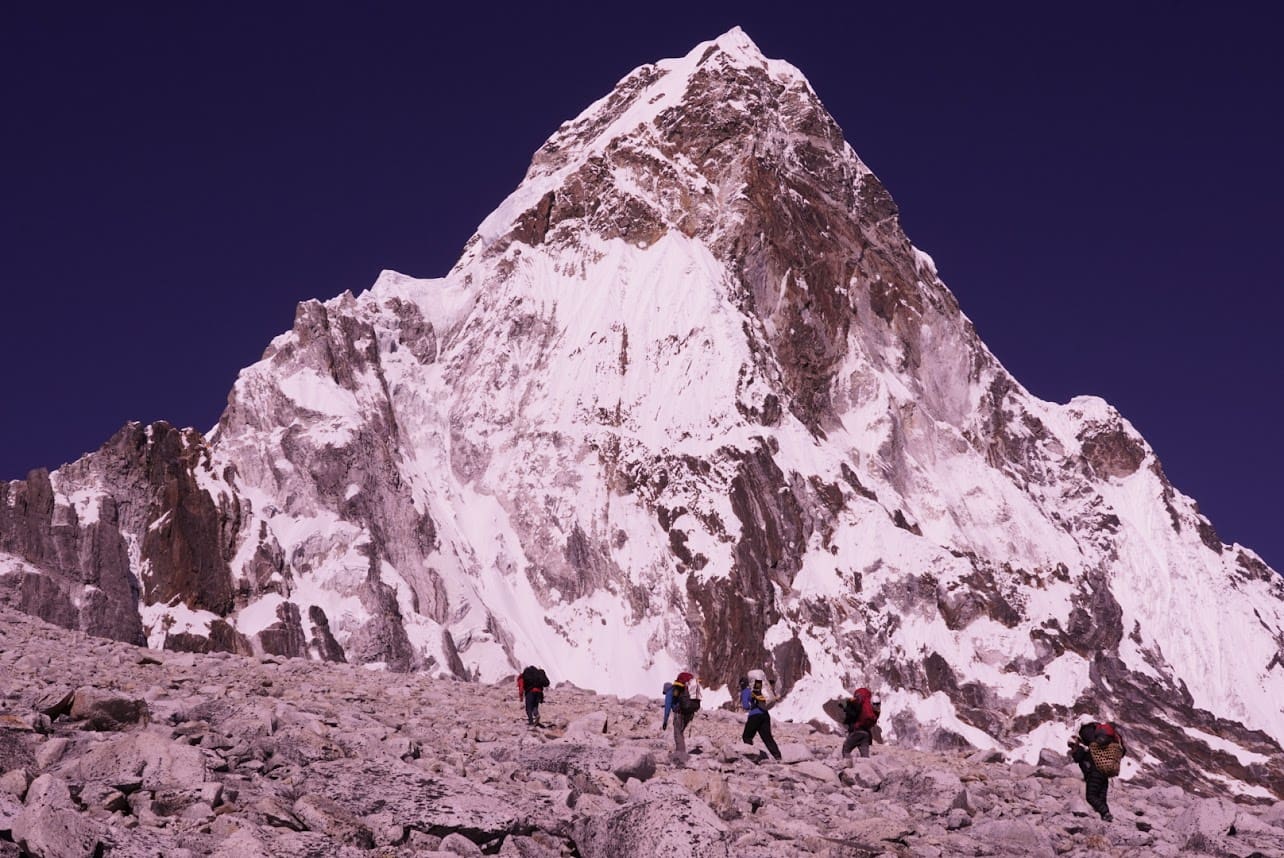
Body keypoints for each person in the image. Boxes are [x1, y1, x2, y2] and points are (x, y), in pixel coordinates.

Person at [1068, 721, 1125, 821]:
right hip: (1105, 773)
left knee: (1090, 796)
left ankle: (1105, 813)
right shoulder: (1099, 749)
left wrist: (1075, 748)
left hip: (1094, 773)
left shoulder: (1088, 748)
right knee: (1101, 797)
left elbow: (1078, 758)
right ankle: (1105, 818)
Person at [739, 672, 782, 761]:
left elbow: (746, 706)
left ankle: (750, 755)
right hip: (765, 714)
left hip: (754, 716)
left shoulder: (746, 691)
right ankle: (778, 757)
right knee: (767, 738)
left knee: (747, 736)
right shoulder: (757, 688)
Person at [664, 671, 702, 762]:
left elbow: (667, 707)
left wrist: (665, 721)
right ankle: (682, 752)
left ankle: (680, 755)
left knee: (678, 734)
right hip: (689, 713)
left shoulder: (670, 691)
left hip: (679, 713)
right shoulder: (682, 689)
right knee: (680, 732)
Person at [840, 687, 880, 759]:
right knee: (865, 756)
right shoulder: (871, 706)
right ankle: (866, 768)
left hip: (857, 731)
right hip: (866, 734)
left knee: (846, 749)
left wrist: (849, 703)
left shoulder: (858, 702)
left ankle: (847, 765)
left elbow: (850, 715)